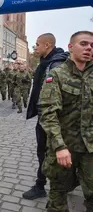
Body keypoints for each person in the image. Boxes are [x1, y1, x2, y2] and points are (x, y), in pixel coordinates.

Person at [39, 31, 93, 211]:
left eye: (92, 46)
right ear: (71, 47)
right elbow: (48, 114)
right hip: (64, 148)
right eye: (84, 44)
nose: (89, 48)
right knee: (58, 195)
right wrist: (60, 146)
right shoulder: (57, 75)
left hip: (90, 148)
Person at [23, 33, 69, 200]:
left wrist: (45, 118)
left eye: (37, 44)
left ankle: (41, 185)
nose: (35, 47)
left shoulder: (55, 65)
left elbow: (49, 96)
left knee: (45, 152)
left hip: (50, 118)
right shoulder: (47, 62)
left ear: (47, 45)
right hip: (48, 117)